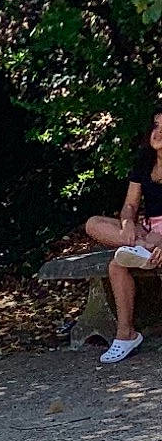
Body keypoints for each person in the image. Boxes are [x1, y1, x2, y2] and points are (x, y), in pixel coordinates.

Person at [84, 105, 162, 363]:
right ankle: (126, 334)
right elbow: (130, 204)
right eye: (155, 125)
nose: (157, 132)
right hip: (147, 230)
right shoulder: (144, 161)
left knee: (117, 264)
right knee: (93, 224)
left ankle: (144, 249)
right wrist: (128, 223)